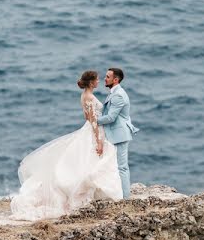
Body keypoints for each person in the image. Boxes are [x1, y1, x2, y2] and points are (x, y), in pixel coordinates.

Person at [9, 70, 123, 220]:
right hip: (94, 132)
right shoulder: (89, 97)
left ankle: (93, 195)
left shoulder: (84, 96)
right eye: (96, 80)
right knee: (92, 162)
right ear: (91, 82)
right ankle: (86, 195)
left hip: (88, 129)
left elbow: (86, 116)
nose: (99, 81)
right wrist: (99, 140)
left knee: (86, 163)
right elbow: (93, 121)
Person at [97, 67, 139, 199]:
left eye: (108, 77)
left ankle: (126, 198)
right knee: (115, 166)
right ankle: (118, 194)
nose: (105, 78)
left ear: (116, 80)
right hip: (116, 134)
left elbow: (111, 117)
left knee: (122, 167)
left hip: (119, 135)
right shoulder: (114, 92)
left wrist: (94, 120)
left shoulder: (119, 94)